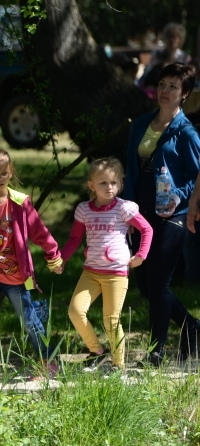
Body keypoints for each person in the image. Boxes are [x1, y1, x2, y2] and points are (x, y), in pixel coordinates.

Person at [0, 148, 63, 386]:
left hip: (15, 277)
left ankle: (47, 362)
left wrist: (53, 255)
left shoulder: (19, 202)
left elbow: (39, 231)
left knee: (28, 322)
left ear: (11, 172)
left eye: (4, 172)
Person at [124, 63, 200, 365]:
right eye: (163, 84)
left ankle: (155, 353)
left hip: (173, 216)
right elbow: (130, 169)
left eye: (173, 87)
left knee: (159, 283)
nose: (165, 91)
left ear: (184, 94)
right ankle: (190, 326)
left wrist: (181, 198)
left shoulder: (187, 133)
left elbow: (196, 177)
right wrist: (127, 210)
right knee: (144, 282)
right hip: (141, 213)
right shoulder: (141, 123)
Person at [61, 158, 153, 371]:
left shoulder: (124, 209)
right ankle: (96, 351)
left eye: (114, 182)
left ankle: (117, 366)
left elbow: (147, 229)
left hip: (116, 274)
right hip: (91, 273)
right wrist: (61, 258)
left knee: (111, 320)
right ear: (92, 186)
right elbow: (75, 239)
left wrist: (141, 254)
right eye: (103, 183)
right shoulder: (84, 210)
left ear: (120, 184)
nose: (109, 187)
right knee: (75, 311)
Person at [138, 23, 192, 91]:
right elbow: (149, 73)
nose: (172, 40)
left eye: (175, 37)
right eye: (170, 37)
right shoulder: (157, 54)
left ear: (180, 39)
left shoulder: (185, 57)